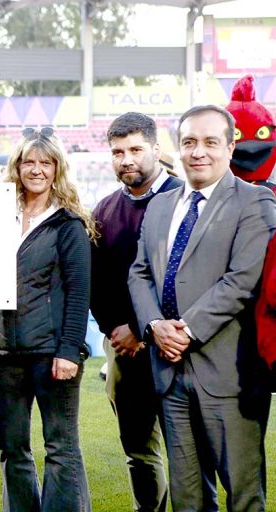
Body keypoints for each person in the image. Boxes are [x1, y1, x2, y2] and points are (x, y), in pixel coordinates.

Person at [128, 105, 276, 511]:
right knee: (188, 499)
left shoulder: (255, 202)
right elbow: (139, 273)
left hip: (228, 375)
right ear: (177, 147)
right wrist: (155, 326)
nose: (198, 152)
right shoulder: (160, 205)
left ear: (230, 147)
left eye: (211, 142)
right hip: (169, 374)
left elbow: (242, 281)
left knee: (244, 497)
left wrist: (185, 331)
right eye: (190, 142)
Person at [0, 127, 94, 512]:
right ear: (17, 166)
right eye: (29, 161)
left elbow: (79, 293)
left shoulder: (68, 223)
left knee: (60, 447)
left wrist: (69, 351)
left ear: (57, 168)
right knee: (12, 448)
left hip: (52, 354)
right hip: (7, 355)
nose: (37, 169)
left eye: (45, 162)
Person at [91, 112, 181, 512]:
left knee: (190, 452)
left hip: (180, 346)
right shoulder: (105, 210)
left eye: (135, 149)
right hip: (123, 349)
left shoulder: (186, 197)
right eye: (117, 152)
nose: (126, 159)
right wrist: (116, 329)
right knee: (138, 450)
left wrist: (146, 330)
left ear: (156, 150)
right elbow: (97, 282)